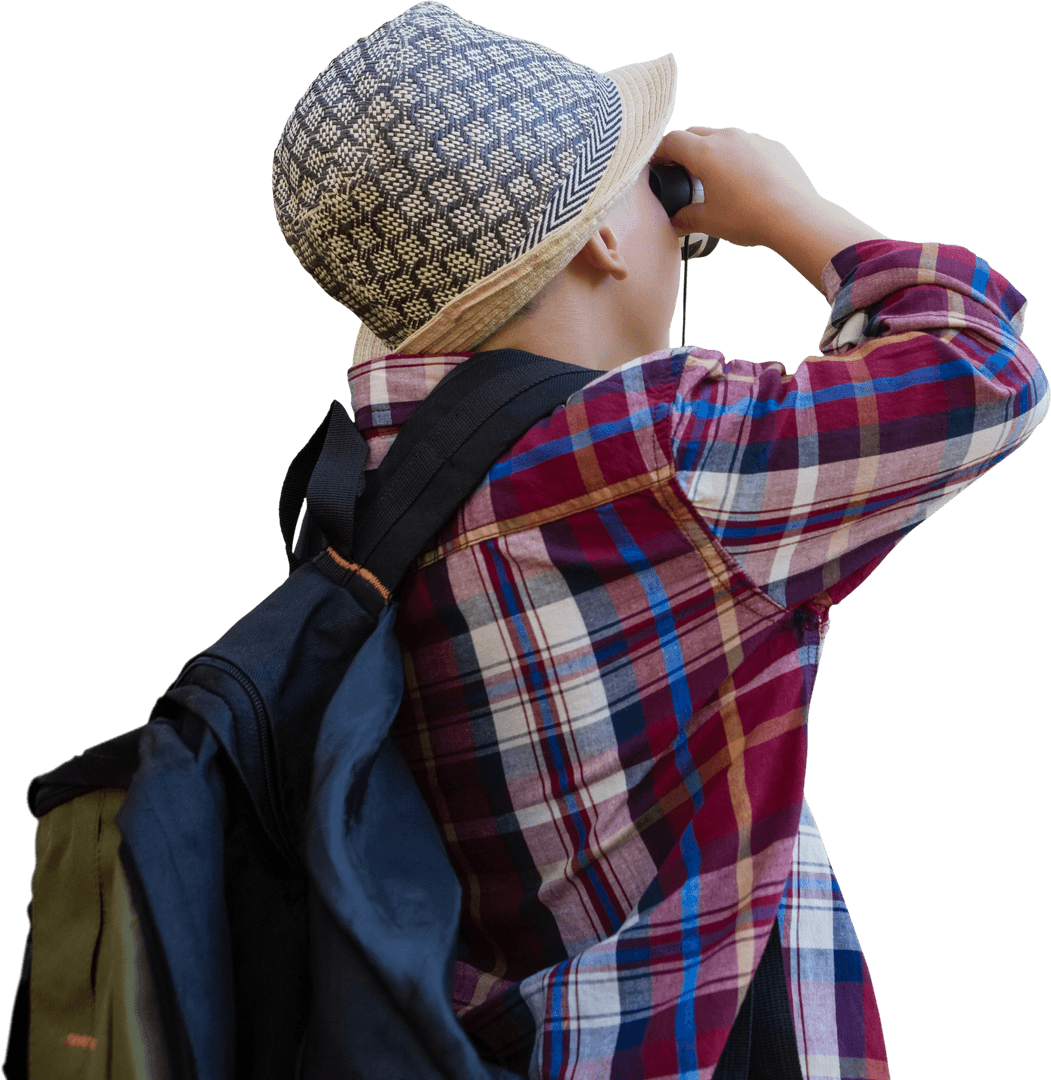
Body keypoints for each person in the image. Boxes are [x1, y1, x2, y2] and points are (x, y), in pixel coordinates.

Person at [271, 2, 1048, 1076]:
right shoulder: (655, 455)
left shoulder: (366, 476)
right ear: (600, 237)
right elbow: (980, 368)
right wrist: (795, 213)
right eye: (656, 189)